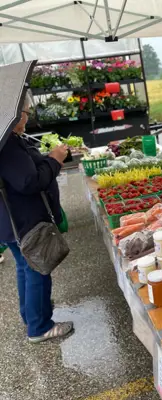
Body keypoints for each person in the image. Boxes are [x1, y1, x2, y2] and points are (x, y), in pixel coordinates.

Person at [0, 95, 74, 343]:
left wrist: (47, 159)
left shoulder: (9, 139)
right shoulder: (7, 143)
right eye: (27, 112)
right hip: (22, 220)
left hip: (11, 222)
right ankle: (40, 326)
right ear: (16, 113)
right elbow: (28, 181)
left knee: (25, 266)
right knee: (38, 269)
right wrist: (54, 161)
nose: (27, 118)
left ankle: (30, 316)